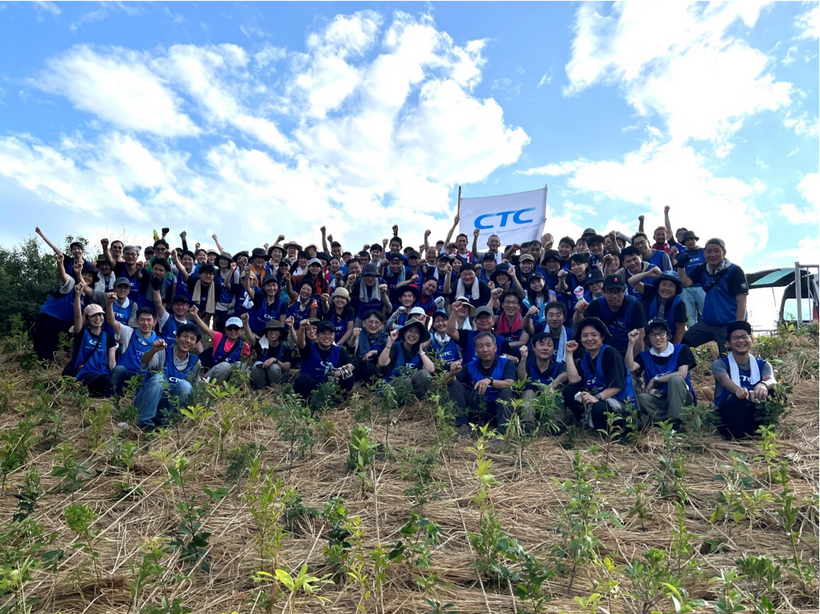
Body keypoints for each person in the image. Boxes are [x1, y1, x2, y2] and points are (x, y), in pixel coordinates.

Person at [562, 317, 636, 430]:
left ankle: (613, 430)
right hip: (598, 398)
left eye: (594, 334)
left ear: (601, 337)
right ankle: (585, 423)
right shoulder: (585, 359)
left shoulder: (611, 354)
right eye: (585, 335)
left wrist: (596, 397)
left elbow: (617, 386)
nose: (589, 339)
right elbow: (573, 380)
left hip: (620, 402)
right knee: (569, 391)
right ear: (580, 339)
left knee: (599, 408)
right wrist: (569, 353)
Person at [676, 238, 748, 354]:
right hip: (706, 324)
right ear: (704, 253)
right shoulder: (702, 269)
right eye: (708, 251)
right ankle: (682, 371)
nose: (712, 255)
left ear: (724, 252)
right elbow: (685, 283)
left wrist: (737, 327)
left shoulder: (734, 271)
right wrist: (681, 266)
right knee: (679, 344)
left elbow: (742, 301)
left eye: (716, 251)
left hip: (728, 325)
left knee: (729, 359)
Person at [711, 321, 777, 439]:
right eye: (736, 338)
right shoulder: (720, 364)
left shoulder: (763, 364)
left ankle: (763, 431)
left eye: (744, 337)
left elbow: (771, 380)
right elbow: (724, 379)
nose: (741, 341)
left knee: (776, 393)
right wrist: (738, 390)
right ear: (728, 343)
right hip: (729, 416)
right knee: (736, 398)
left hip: (752, 412)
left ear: (752, 340)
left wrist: (762, 385)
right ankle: (736, 436)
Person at [625, 320, 696, 429]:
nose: (658, 338)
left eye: (661, 334)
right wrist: (631, 343)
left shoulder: (681, 349)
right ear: (648, 338)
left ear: (667, 335)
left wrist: (655, 379)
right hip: (660, 400)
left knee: (675, 379)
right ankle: (665, 421)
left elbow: (682, 374)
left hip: (682, 399)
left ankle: (676, 422)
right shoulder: (645, 356)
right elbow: (630, 367)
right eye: (653, 335)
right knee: (641, 398)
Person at [446, 331, 516, 437]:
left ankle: (502, 433)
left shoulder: (506, 363)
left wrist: (490, 381)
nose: (485, 350)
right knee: (453, 383)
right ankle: (463, 426)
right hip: (475, 409)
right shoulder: (469, 366)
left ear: (495, 348)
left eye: (488, 345)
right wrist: (451, 373)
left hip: (496, 410)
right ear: (476, 350)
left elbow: (511, 383)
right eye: (480, 346)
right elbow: (444, 383)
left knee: (506, 391)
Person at [134, 324, 201, 431]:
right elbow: (144, 363)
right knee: (159, 379)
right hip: (144, 402)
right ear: (177, 338)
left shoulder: (195, 362)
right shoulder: (162, 352)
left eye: (192, 339)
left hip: (164, 407)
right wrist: (153, 350)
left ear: (194, 345)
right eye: (184, 336)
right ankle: (145, 423)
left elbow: (195, 390)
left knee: (186, 386)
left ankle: (164, 422)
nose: (188, 340)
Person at [576, 274, 647, 355]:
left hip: (629, 346)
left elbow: (640, 335)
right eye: (610, 292)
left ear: (624, 291)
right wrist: (579, 312)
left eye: (618, 292)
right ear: (604, 292)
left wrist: (637, 362)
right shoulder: (597, 304)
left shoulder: (634, 305)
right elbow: (579, 324)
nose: (614, 296)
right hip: (604, 348)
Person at [106, 292, 160, 395]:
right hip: (126, 374)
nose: (145, 323)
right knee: (118, 369)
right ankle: (110, 399)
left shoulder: (159, 341)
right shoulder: (128, 332)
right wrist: (109, 304)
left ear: (154, 322)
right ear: (136, 321)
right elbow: (111, 321)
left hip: (144, 378)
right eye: (142, 320)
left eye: (149, 320)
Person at [67, 284, 116, 397]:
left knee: (112, 384)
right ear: (88, 318)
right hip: (85, 372)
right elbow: (78, 316)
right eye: (94, 316)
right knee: (105, 384)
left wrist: (115, 376)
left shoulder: (109, 338)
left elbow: (112, 362)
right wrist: (78, 296)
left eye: (100, 315)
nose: (98, 318)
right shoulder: (82, 333)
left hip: (103, 373)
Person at [293, 319, 355, 400]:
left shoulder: (338, 350)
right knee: (302, 380)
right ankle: (307, 401)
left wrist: (340, 371)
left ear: (334, 336)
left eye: (330, 334)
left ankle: (337, 400)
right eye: (324, 333)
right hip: (312, 384)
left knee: (349, 375)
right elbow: (301, 342)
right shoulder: (309, 347)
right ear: (317, 335)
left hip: (330, 385)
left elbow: (351, 365)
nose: (327, 336)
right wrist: (301, 329)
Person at [517, 333, 568, 428]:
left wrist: (552, 386)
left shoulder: (558, 365)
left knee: (560, 389)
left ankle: (556, 425)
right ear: (533, 347)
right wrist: (523, 358)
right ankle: (527, 426)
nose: (545, 348)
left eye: (549, 345)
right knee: (528, 390)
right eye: (541, 344)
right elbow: (521, 380)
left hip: (549, 405)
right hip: (530, 406)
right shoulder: (527, 363)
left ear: (553, 349)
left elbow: (565, 374)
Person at [189, 310, 251, 385]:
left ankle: (230, 386)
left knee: (241, 366)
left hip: (228, 376)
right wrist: (195, 315)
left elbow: (245, 362)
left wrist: (246, 323)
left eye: (236, 328)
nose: (233, 331)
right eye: (230, 328)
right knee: (225, 366)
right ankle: (213, 386)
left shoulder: (243, 345)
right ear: (225, 330)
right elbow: (206, 329)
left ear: (241, 331)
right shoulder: (219, 337)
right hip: (213, 373)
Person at [378, 319, 435, 400]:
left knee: (424, 374)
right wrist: (390, 342)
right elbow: (382, 363)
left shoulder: (420, 351)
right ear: (404, 333)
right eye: (410, 331)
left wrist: (421, 351)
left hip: (411, 389)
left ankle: (415, 401)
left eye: (416, 332)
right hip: (392, 386)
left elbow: (431, 369)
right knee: (405, 381)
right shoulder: (396, 347)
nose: (412, 335)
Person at [626, 269, 688, 343]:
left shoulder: (679, 304)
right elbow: (631, 281)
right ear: (658, 286)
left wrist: (674, 350)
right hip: (648, 336)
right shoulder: (652, 292)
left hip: (669, 340)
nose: (666, 289)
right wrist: (647, 274)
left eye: (671, 285)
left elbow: (680, 331)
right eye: (663, 284)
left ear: (676, 289)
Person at [243, 317, 293, 389]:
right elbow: (250, 336)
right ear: (266, 333)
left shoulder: (285, 348)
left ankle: (275, 389)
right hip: (262, 378)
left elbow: (287, 367)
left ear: (280, 333)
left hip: (278, 380)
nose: (272, 332)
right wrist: (245, 323)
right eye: (270, 330)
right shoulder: (261, 346)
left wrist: (275, 360)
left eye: (275, 330)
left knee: (273, 367)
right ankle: (261, 389)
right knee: (257, 364)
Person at [673, 230, 706, 327]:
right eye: (687, 240)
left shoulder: (704, 251)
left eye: (692, 239)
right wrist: (673, 255)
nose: (690, 242)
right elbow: (674, 266)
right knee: (689, 316)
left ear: (695, 240)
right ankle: (693, 338)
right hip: (686, 288)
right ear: (684, 243)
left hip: (702, 286)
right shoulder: (681, 254)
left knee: (707, 311)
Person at [350, 309, 388, 383]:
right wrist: (353, 338)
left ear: (381, 325)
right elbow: (350, 352)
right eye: (370, 322)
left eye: (377, 322)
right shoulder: (358, 335)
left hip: (379, 367)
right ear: (364, 323)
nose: (373, 325)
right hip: (361, 365)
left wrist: (373, 352)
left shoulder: (386, 337)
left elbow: (390, 354)